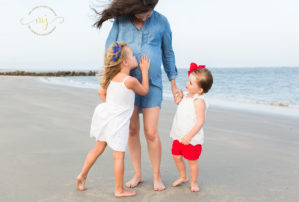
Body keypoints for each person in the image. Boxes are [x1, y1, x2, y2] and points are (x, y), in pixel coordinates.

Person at [93, 0, 183, 191]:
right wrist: (105, 84)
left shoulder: (162, 22)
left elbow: (168, 54)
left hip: (153, 84)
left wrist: (174, 84)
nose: (146, 17)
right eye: (142, 14)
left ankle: (157, 176)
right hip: (126, 87)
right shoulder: (121, 22)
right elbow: (110, 53)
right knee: (132, 130)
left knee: (151, 132)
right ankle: (138, 174)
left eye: (149, 14)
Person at [76, 42, 150, 197]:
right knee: (119, 156)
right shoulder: (129, 80)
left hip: (106, 116)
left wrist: (111, 107)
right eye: (132, 55)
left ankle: (82, 175)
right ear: (125, 62)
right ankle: (119, 190)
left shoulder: (111, 78)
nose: (135, 56)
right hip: (118, 123)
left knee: (98, 148)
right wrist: (144, 71)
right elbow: (144, 91)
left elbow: (100, 93)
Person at [170, 63, 213, 192]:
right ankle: (183, 176)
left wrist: (189, 136)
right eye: (188, 81)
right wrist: (178, 98)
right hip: (179, 134)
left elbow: (200, 121)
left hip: (191, 138)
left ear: (200, 90)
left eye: (191, 83)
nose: (187, 84)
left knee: (192, 161)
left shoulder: (198, 101)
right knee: (176, 156)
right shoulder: (187, 95)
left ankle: (193, 182)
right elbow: (179, 104)